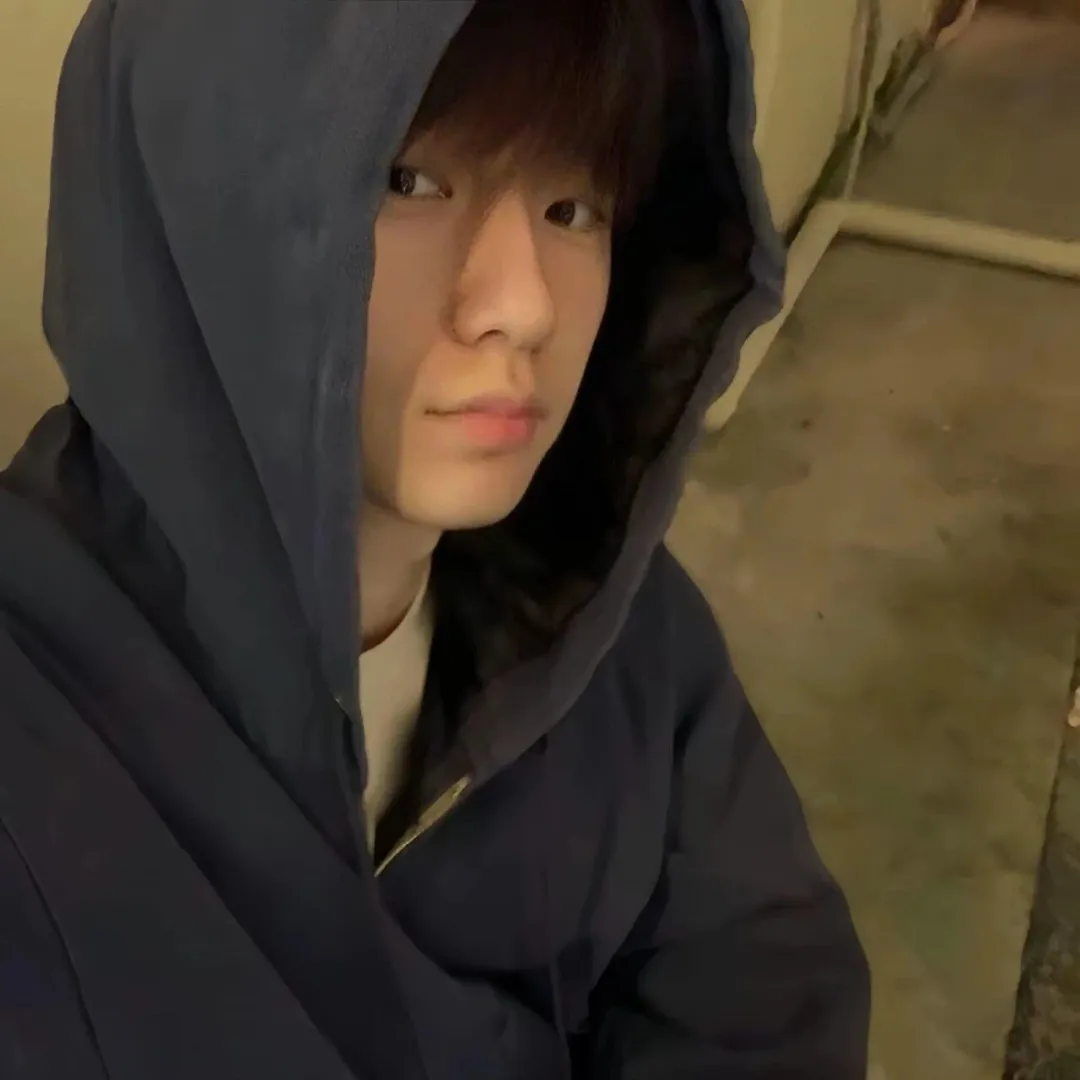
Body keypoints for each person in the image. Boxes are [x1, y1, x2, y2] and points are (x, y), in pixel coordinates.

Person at [0, 0, 870, 1077]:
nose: (523, 306)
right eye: (407, 181)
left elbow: (765, 985)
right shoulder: (36, 739)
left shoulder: (614, 633)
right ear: (193, 191)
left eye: (573, 207)